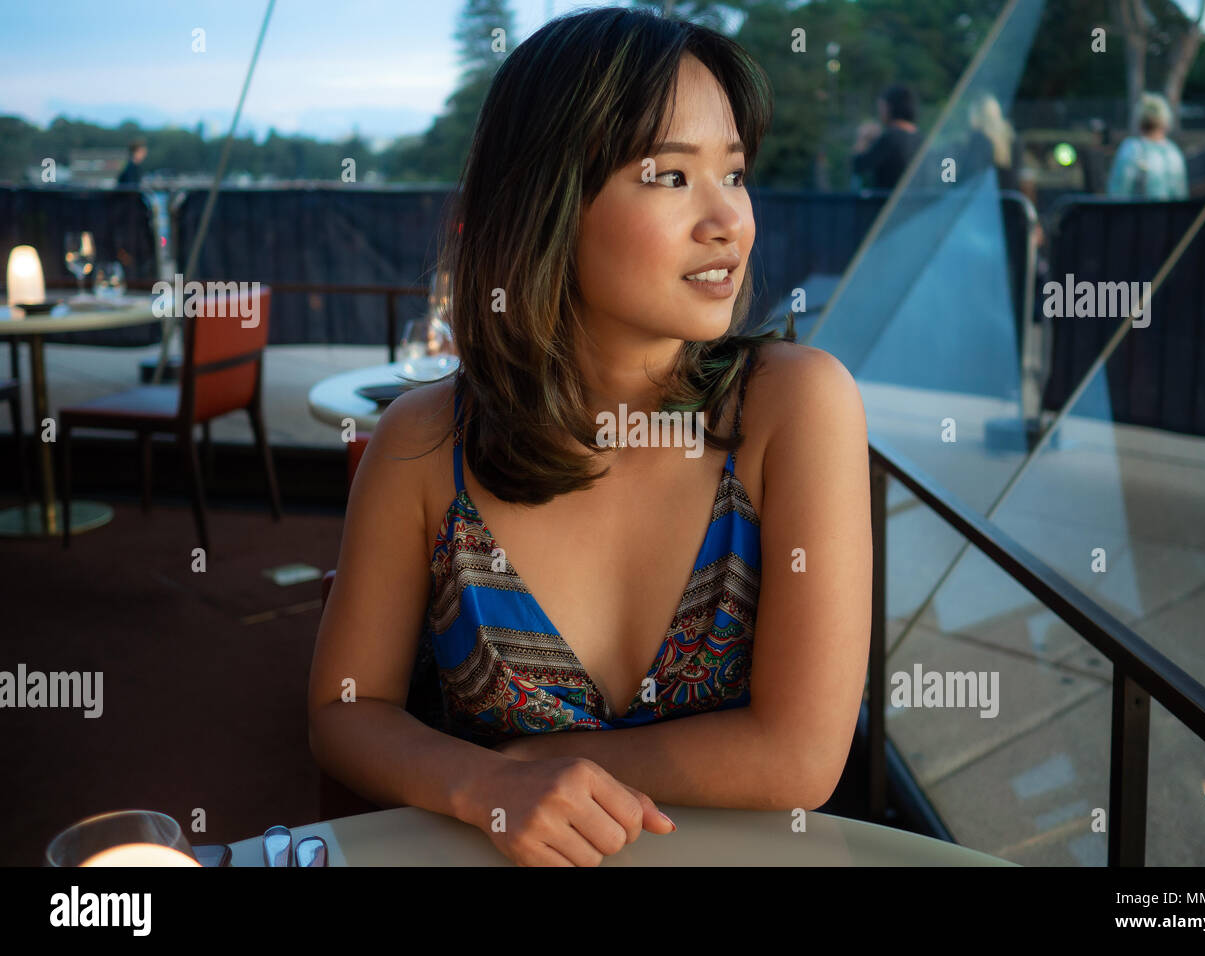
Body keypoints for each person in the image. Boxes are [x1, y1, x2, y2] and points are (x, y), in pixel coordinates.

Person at [307, 7, 871, 867]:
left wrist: (523, 765)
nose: (730, 221)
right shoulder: (422, 443)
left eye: (736, 173)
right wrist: (482, 790)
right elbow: (345, 711)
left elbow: (799, 758)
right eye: (671, 177)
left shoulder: (794, 408)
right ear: (549, 201)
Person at [1107, 93, 1188, 199]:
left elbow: (1117, 195)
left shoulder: (1130, 149)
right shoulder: (1174, 153)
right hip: (1169, 214)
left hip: (1137, 214)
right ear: (1165, 122)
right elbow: (1180, 195)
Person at [852, 83, 921, 190]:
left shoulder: (890, 138)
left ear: (889, 108)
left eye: (881, 107)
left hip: (887, 203)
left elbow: (859, 165)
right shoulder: (920, 138)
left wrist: (863, 138)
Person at [963, 93, 1019, 192]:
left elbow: (970, 178)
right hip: (1007, 201)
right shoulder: (1012, 139)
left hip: (982, 200)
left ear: (975, 115)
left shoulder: (978, 140)